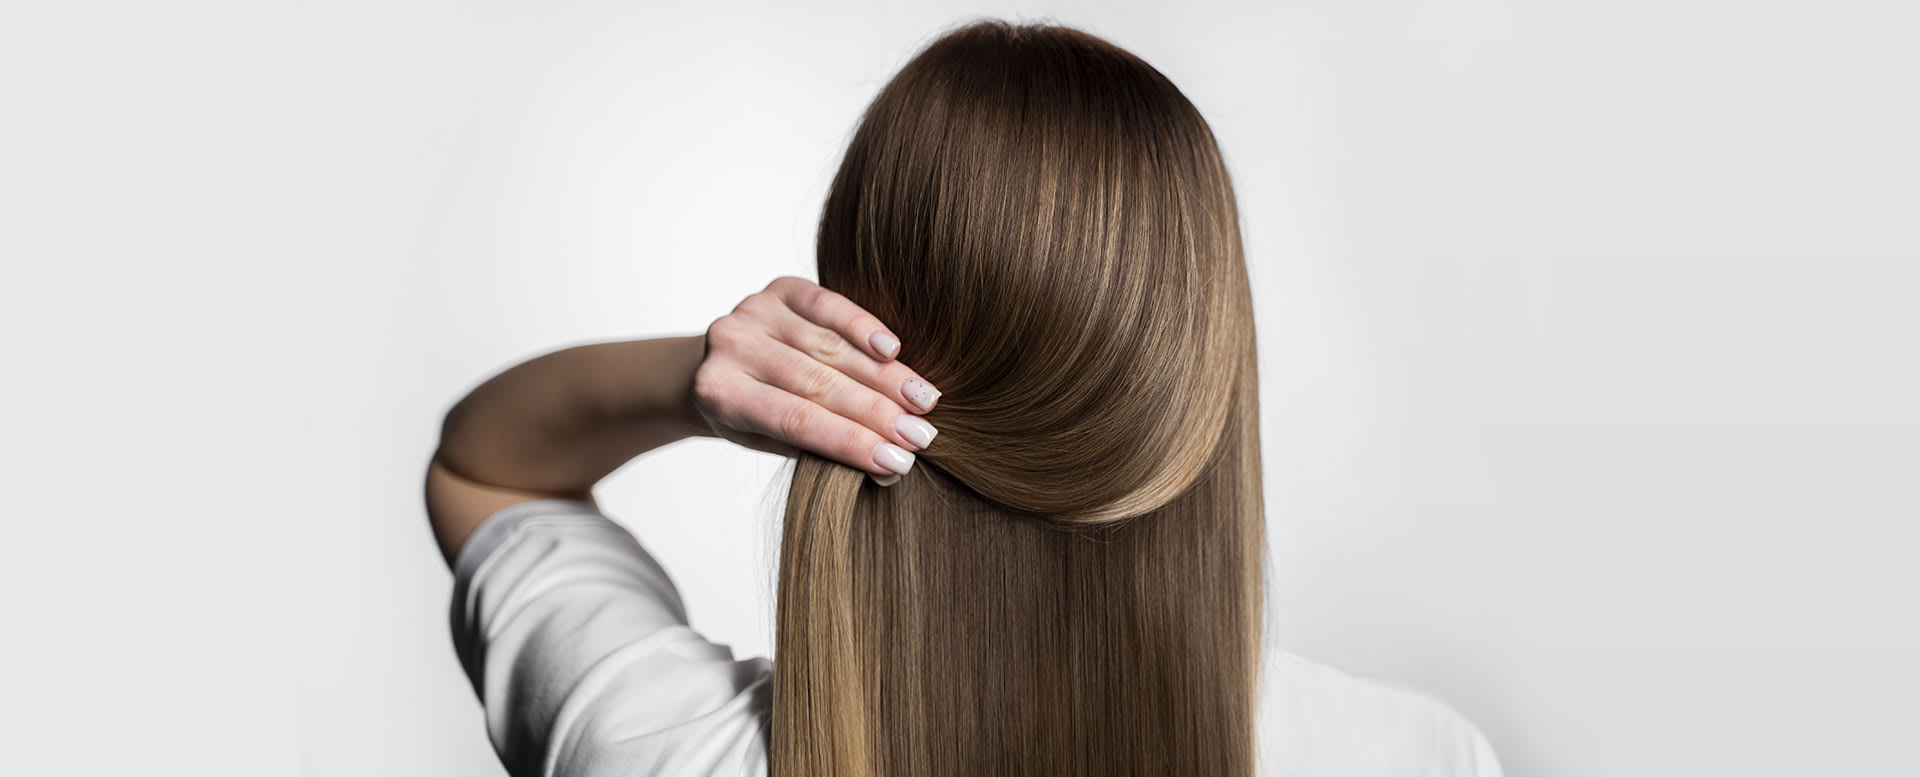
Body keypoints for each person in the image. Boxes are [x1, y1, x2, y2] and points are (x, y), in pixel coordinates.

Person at [427, 20, 1504, 777]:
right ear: (1204, 378)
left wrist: (704, 380)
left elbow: (484, 468)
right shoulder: (1416, 758)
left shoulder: (661, 748)